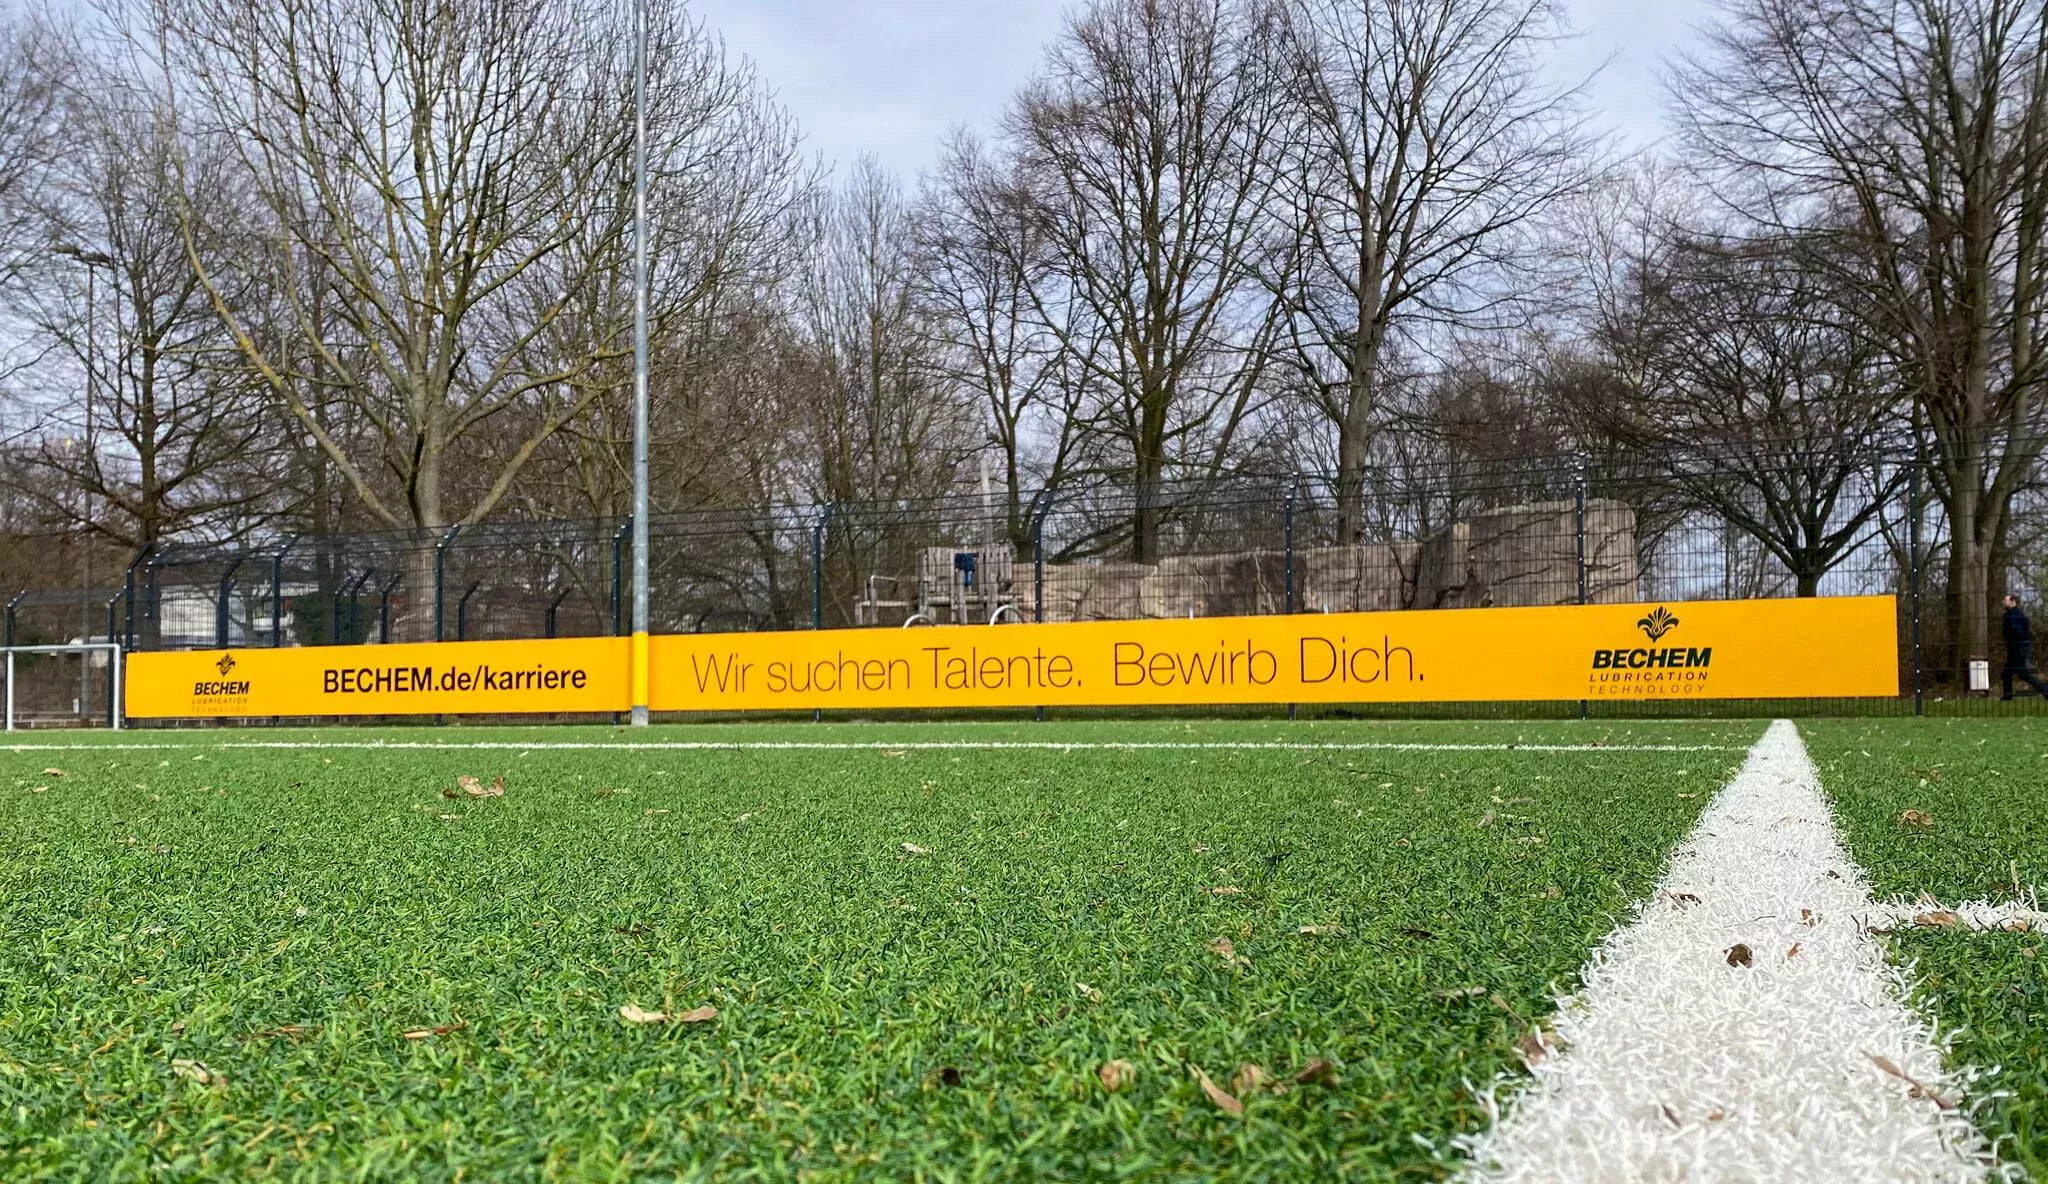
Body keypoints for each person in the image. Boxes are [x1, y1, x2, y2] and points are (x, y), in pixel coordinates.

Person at [2001, 594, 2048, 700]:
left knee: (2024, 674)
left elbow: (2018, 632)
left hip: (2019, 648)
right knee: (2006, 672)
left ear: (2013, 602)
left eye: (2005, 600)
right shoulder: (2012, 614)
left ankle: (2046, 691)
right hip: (2015, 648)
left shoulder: (2015, 615)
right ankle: (2007, 697)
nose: (2003, 602)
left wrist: (2011, 638)